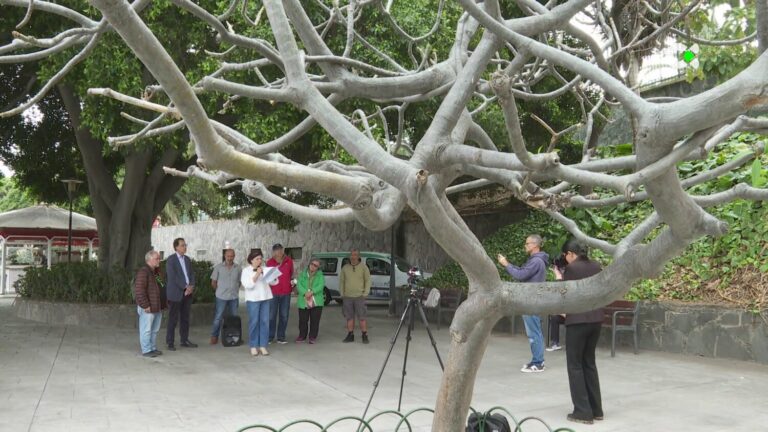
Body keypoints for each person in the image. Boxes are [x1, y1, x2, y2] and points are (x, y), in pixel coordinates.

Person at [553, 239, 604, 425]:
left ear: (571, 254)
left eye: (566, 256)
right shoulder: (597, 266)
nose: (565, 260)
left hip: (578, 321)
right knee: (589, 363)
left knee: (575, 366)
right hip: (596, 320)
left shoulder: (572, 269)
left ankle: (583, 411)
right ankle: (596, 409)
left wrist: (559, 278)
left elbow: (565, 295)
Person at [497, 234, 549, 373]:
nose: (525, 246)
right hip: (532, 301)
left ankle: (538, 363)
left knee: (534, 333)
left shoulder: (536, 261)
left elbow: (520, 275)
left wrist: (506, 264)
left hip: (531, 302)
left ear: (535, 245)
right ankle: (536, 360)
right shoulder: (535, 260)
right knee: (534, 332)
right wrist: (507, 263)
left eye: (527, 244)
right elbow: (522, 272)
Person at [242, 249, 276, 356]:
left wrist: (271, 275)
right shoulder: (246, 271)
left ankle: (263, 345)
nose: (259, 261)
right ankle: (253, 345)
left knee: (265, 322)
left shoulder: (265, 269)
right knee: (254, 322)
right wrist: (257, 274)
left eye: (261, 258)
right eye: (257, 259)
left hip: (265, 298)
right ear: (251, 260)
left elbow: (274, 283)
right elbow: (248, 285)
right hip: (253, 300)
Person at [165, 237, 197, 351]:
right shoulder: (171, 260)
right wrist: (185, 286)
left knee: (185, 318)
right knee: (173, 319)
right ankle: (170, 342)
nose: (185, 247)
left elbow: (192, 274)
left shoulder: (187, 259)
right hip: (176, 293)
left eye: (185, 245)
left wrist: (191, 286)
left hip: (187, 294)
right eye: (182, 245)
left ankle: (184, 340)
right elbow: (173, 277)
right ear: (176, 247)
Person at [134, 250, 166, 358]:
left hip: (157, 306)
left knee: (154, 330)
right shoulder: (144, 272)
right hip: (148, 307)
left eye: (159, 258)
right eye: (157, 258)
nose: (159, 260)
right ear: (149, 259)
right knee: (146, 329)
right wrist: (145, 305)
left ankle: (152, 348)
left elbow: (161, 287)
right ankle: (146, 350)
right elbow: (139, 290)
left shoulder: (156, 272)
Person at [209, 248, 242, 345]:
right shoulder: (218, 267)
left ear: (234, 256)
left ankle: (235, 337)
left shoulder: (238, 268)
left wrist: (234, 289)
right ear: (225, 256)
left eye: (232, 256)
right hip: (221, 297)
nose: (230, 258)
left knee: (234, 318)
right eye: (228, 256)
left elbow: (239, 282)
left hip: (233, 297)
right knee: (218, 317)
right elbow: (213, 282)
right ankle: (214, 336)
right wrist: (219, 291)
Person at [340, 249, 371, 344]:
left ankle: (364, 335)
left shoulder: (364, 267)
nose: (353, 257)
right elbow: (342, 281)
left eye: (355, 255)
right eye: (352, 255)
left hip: (359, 296)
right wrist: (342, 293)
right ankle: (350, 335)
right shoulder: (345, 268)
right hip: (347, 297)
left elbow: (368, 280)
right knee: (349, 317)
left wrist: (365, 293)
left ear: (358, 257)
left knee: (362, 317)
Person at [266, 243, 294, 344]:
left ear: (283, 250)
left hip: (286, 293)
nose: (279, 252)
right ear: (273, 252)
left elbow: (291, 274)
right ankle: (270, 337)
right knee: (271, 315)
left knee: (284, 315)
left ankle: (281, 337)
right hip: (273, 293)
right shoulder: (269, 262)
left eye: (280, 249)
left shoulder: (289, 261)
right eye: (276, 250)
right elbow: (267, 278)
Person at [295, 258, 325, 344]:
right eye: (312, 264)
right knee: (303, 320)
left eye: (315, 265)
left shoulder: (320, 275)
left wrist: (312, 292)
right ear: (309, 264)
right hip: (303, 299)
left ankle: (312, 336)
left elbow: (321, 285)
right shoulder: (302, 274)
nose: (313, 266)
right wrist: (305, 293)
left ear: (318, 267)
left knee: (315, 320)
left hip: (316, 301)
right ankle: (302, 336)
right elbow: (299, 284)